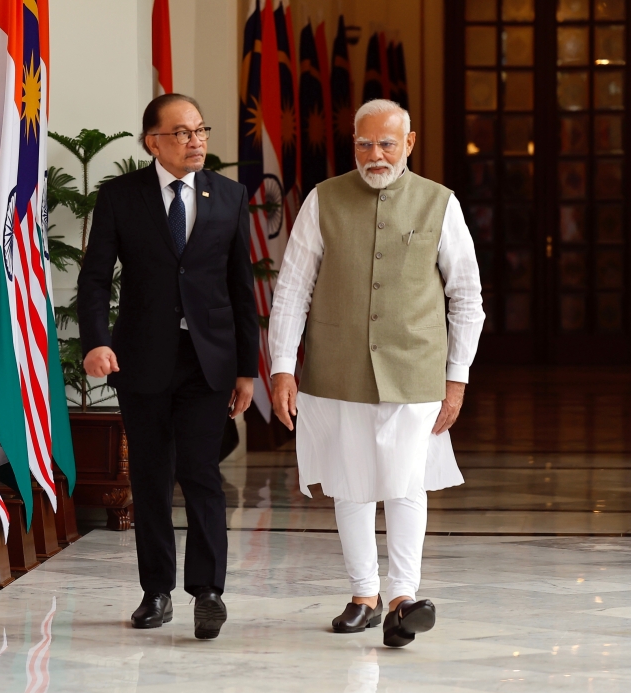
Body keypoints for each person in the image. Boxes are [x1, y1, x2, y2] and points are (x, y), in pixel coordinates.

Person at [268, 99, 484, 647]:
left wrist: (456, 378)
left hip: (415, 368)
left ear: (409, 144)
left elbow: (466, 296)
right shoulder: (324, 199)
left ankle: (403, 597)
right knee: (350, 481)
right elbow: (292, 288)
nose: (375, 154)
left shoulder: (440, 203)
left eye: (387, 143)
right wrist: (282, 368)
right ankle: (363, 595)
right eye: (364, 144)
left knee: (407, 481)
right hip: (334, 367)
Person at [78, 93, 259, 640]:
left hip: (209, 362)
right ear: (152, 141)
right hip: (143, 358)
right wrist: (95, 342)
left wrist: (246, 370)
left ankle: (208, 592)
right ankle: (155, 591)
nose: (196, 141)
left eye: (201, 130)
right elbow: (93, 279)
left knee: (201, 472)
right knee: (152, 477)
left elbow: (240, 289)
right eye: (182, 133)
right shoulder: (119, 197)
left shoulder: (228, 196)